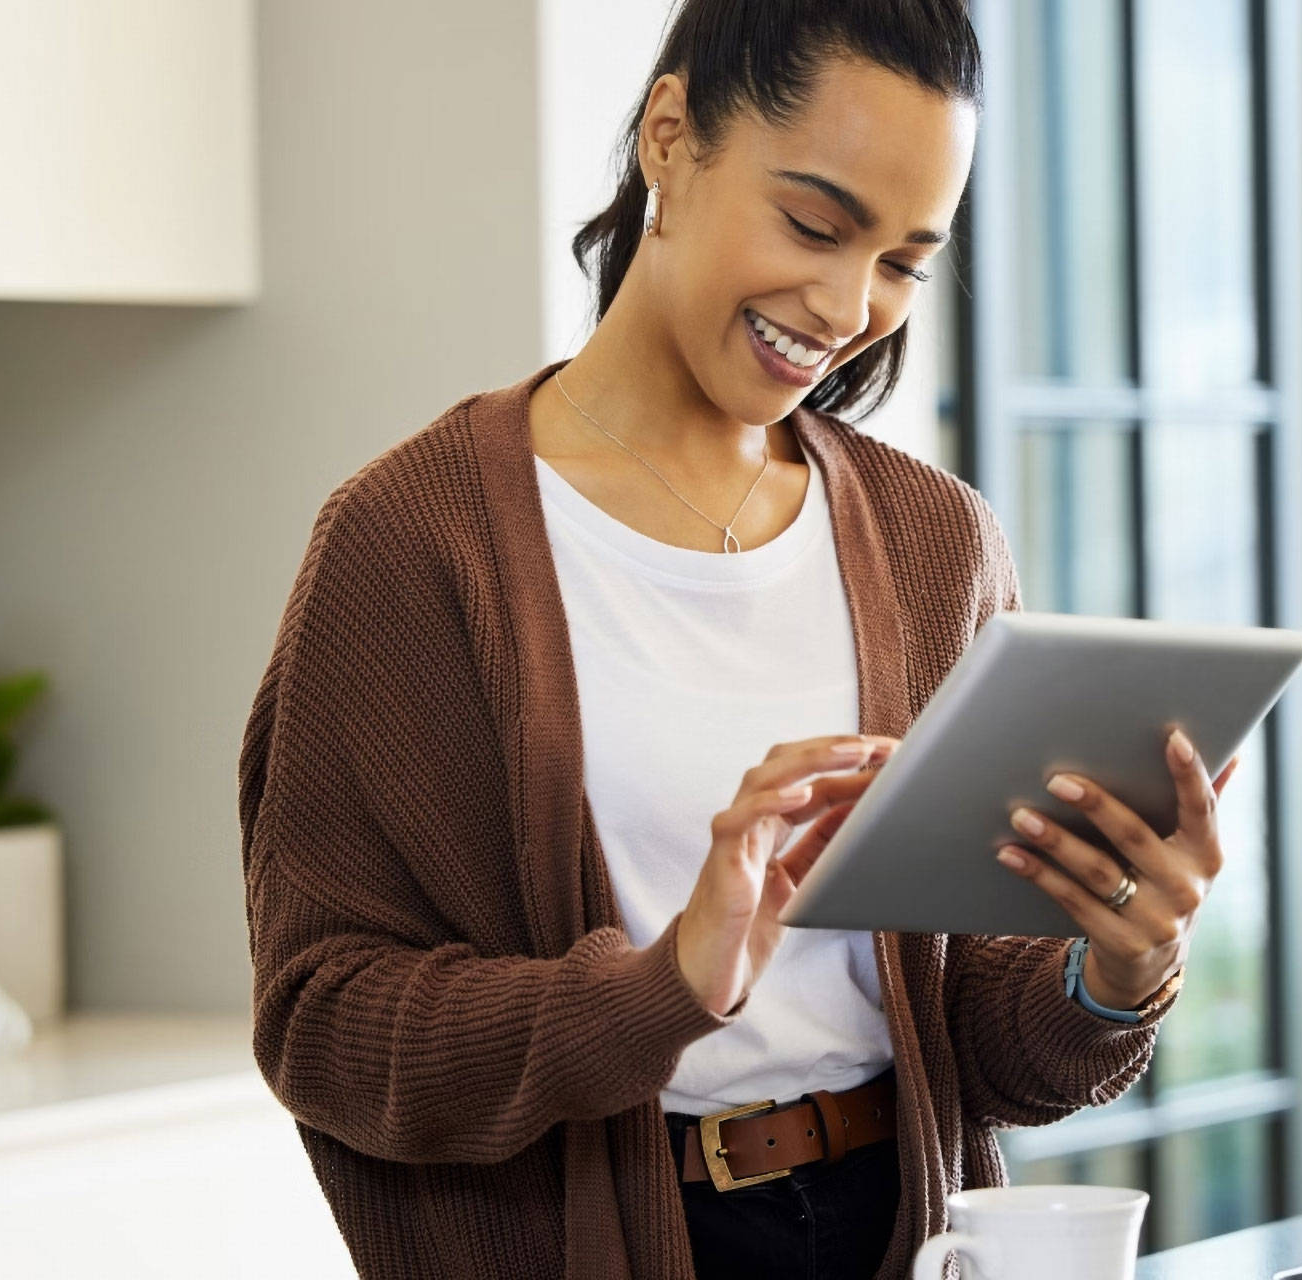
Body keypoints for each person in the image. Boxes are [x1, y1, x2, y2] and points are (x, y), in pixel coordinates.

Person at [238, 2, 1240, 1277]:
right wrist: (665, 982)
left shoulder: (939, 544)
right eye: (816, 224)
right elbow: (321, 1026)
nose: (847, 303)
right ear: (671, 136)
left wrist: (1116, 963)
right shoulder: (412, 544)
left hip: (904, 1230)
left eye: (903, 261)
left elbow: (976, 1044)